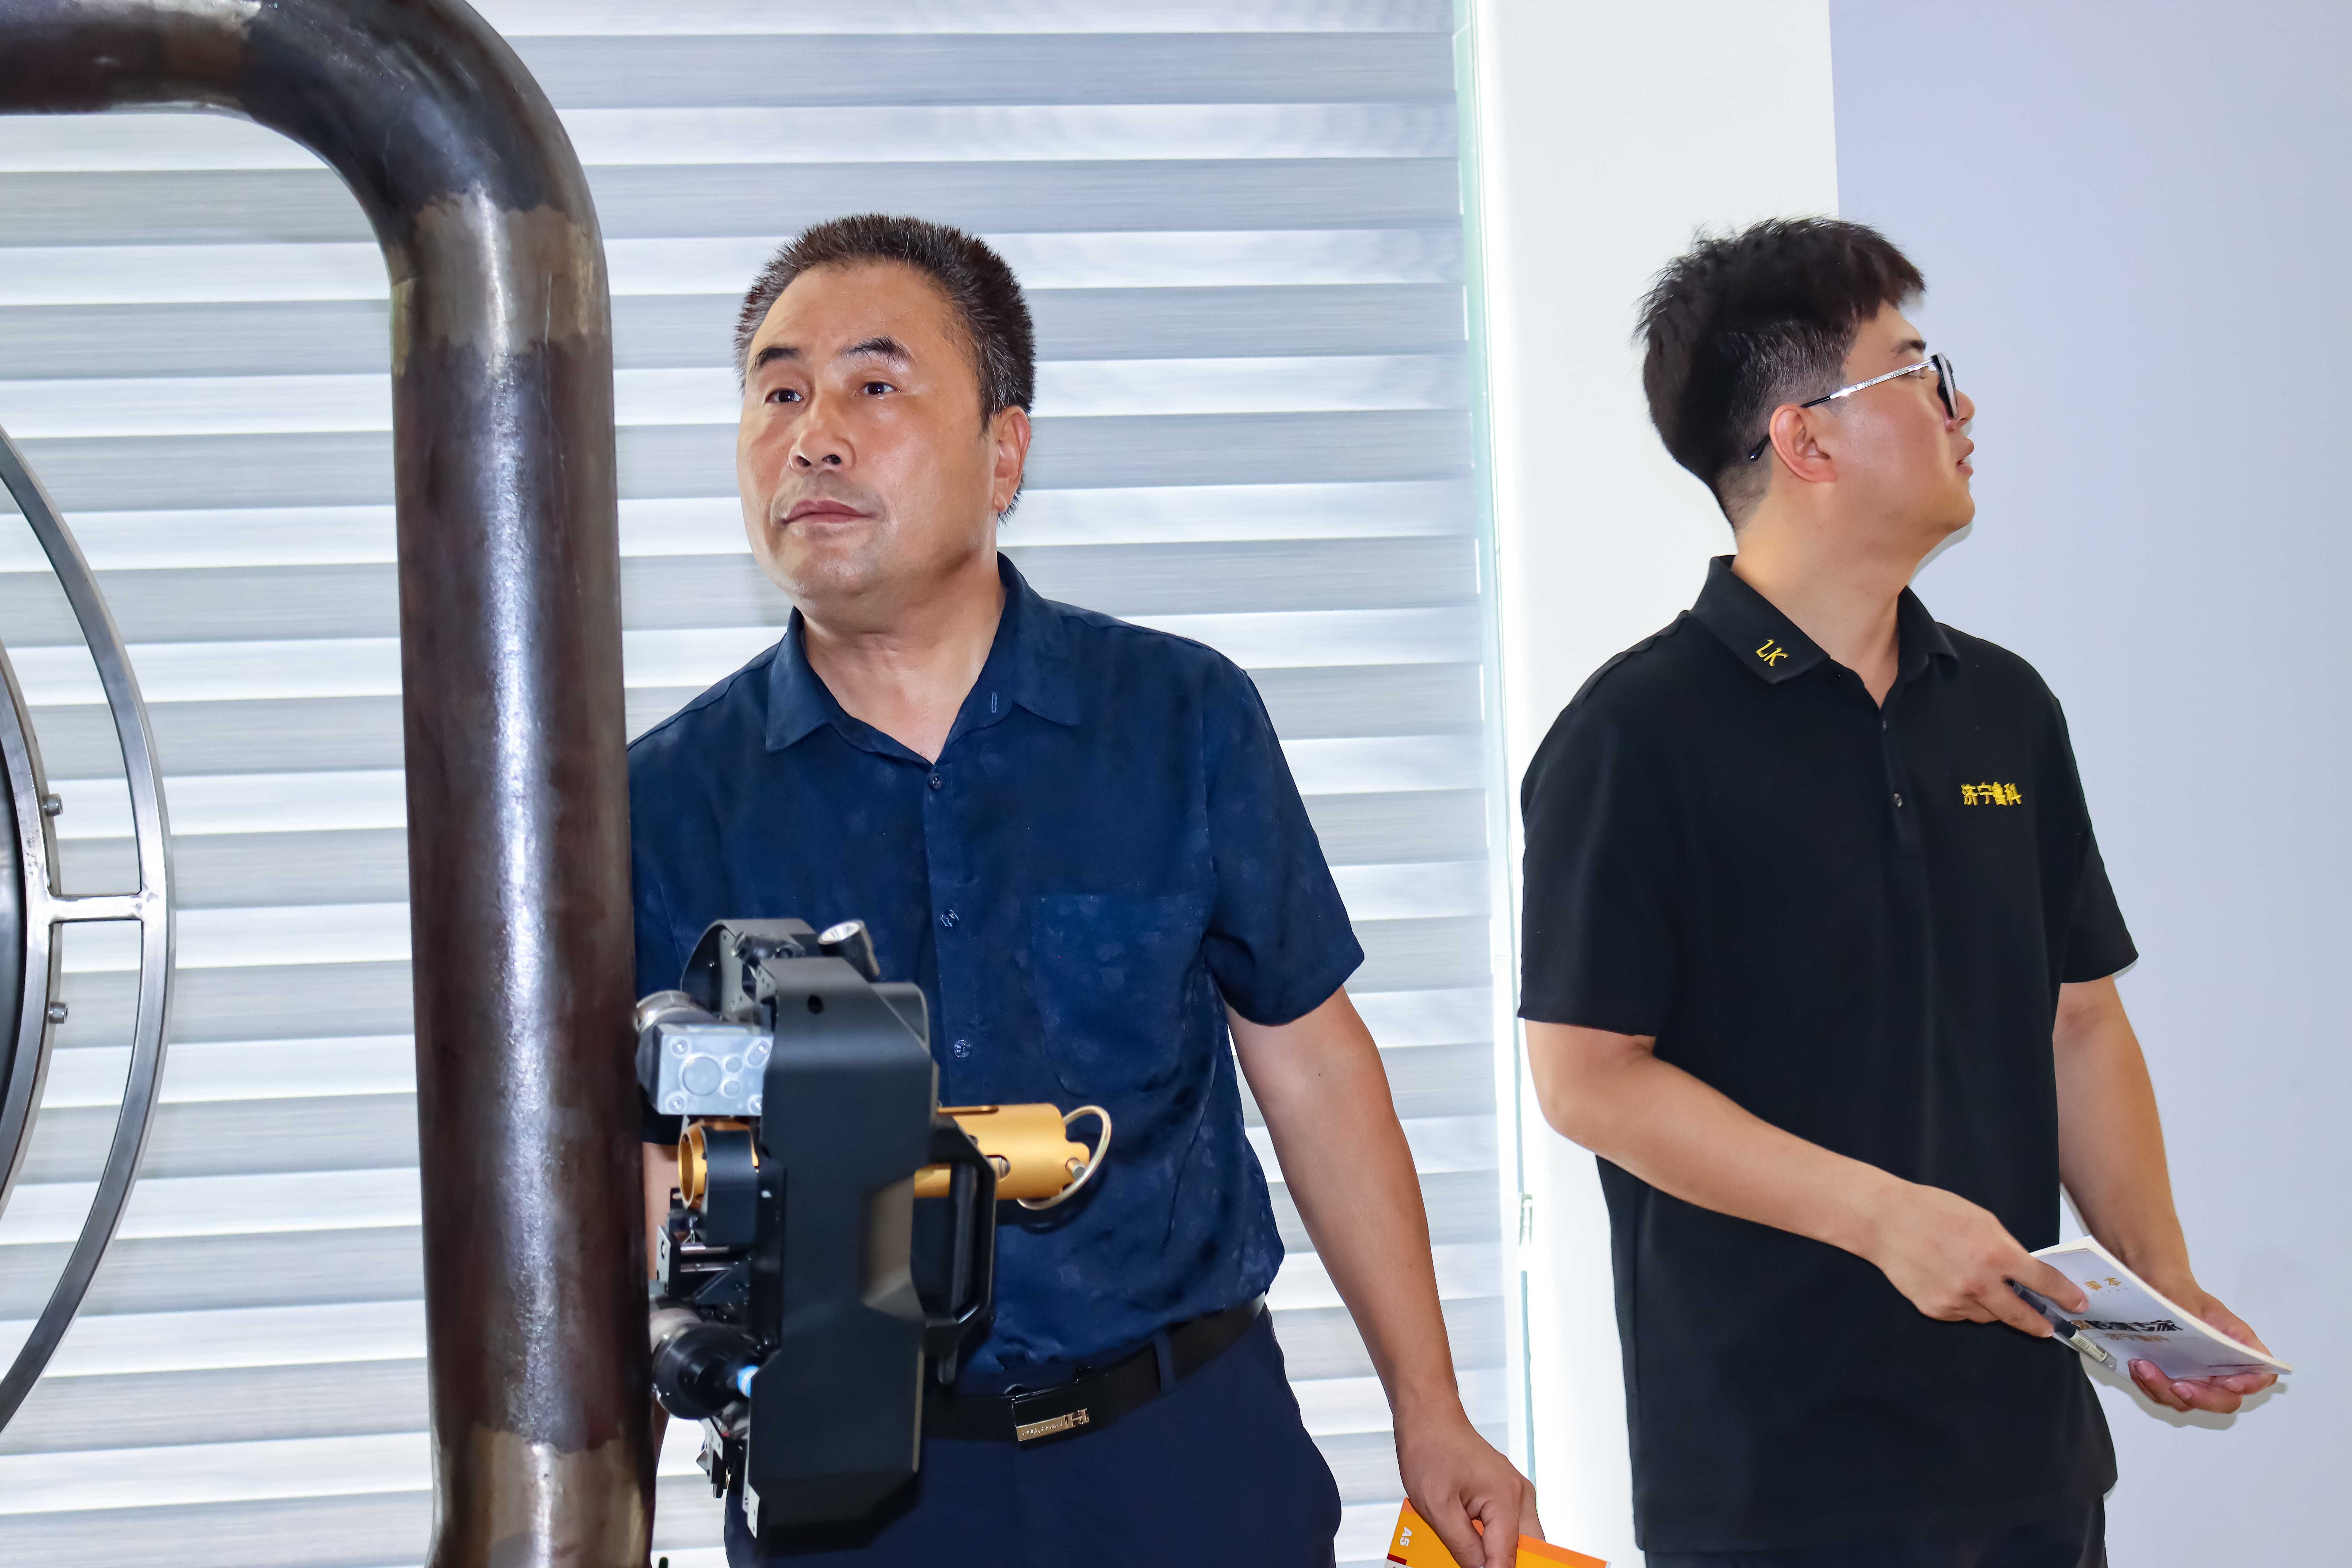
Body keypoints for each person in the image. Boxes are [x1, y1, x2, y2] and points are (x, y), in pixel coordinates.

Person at [630, 214, 1538, 1566]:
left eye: (874, 385)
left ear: (1005, 452)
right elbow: (653, 1178)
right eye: (779, 393)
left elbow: (1311, 1065)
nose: (814, 435)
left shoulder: (1180, 718)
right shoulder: (668, 797)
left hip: (1186, 1454)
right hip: (862, 1501)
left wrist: (1431, 1406)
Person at [1517, 218, 2274, 1567]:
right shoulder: (1634, 736)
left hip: (2024, 1463)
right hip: (1776, 1480)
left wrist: (2159, 1286)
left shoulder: (2004, 708)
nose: (1961, 408)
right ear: (1806, 440)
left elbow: (2078, 1022)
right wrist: (1882, 1217)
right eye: (1921, 374)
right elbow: (1589, 1080)